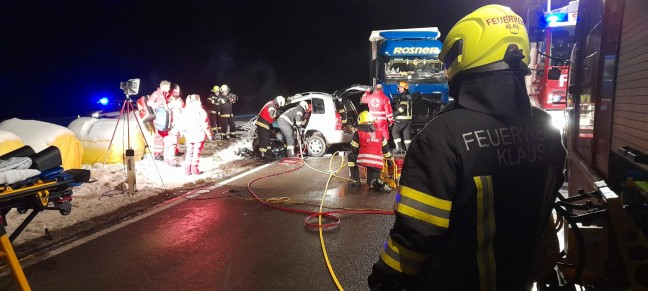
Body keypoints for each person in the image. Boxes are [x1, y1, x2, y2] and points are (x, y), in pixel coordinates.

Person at [368, 5, 567, 291]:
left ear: (466, 54)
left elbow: (415, 236)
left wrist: (384, 280)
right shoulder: (547, 130)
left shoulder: (440, 139)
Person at [348, 111, 392, 192]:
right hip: (377, 162)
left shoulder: (358, 133)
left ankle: (355, 180)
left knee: (350, 156)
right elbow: (386, 148)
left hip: (364, 159)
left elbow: (354, 148)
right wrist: (389, 159)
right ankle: (380, 183)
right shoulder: (379, 133)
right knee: (371, 183)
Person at [177, 94, 212, 175]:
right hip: (198, 136)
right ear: (198, 100)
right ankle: (195, 170)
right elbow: (205, 124)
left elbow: (181, 123)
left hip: (188, 136)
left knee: (189, 152)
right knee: (196, 153)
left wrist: (182, 133)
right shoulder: (200, 111)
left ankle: (187, 170)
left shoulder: (185, 110)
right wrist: (209, 135)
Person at [146, 80, 171, 161]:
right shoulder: (156, 93)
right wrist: (157, 106)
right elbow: (149, 102)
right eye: (168, 87)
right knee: (159, 136)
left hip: (163, 117)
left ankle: (161, 153)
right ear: (163, 86)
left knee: (164, 135)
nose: (169, 88)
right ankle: (157, 154)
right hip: (159, 118)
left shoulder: (163, 94)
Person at [165, 83, 185, 165]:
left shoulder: (168, 103)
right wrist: (182, 131)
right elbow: (178, 119)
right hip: (174, 127)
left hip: (168, 126)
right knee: (172, 144)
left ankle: (166, 160)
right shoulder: (176, 107)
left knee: (168, 143)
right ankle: (172, 161)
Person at [391, 82, 413, 154]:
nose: (398, 89)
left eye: (400, 88)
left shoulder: (403, 96)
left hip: (401, 119)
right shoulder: (408, 96)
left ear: (404, 88)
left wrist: (394, 114)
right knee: (406, 135)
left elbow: (402, 108)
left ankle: (399, 149)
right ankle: (409, 150)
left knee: (395, 132)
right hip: (408, 120)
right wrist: (396, 105)